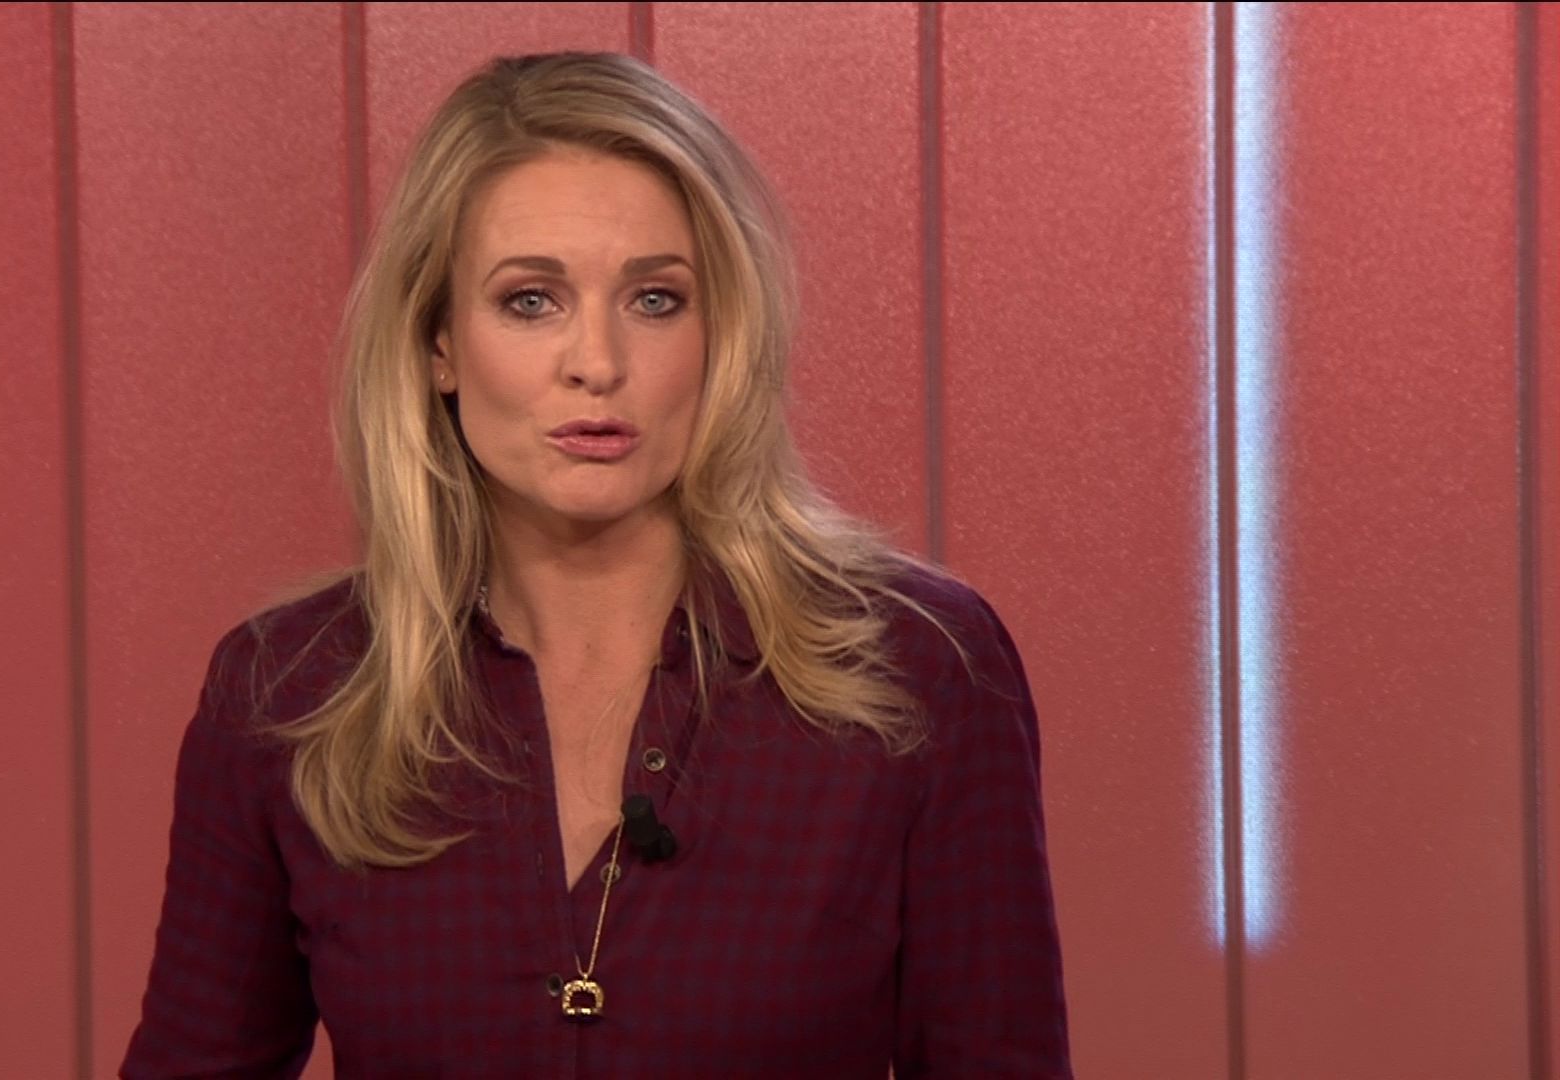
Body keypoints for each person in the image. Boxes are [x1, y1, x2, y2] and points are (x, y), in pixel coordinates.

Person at [121, 51, 1070, 1078]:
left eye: (655, 300)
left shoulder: (919, 666)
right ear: (439, 342)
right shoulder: (289, 692)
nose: (598, 364)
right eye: (531, 301)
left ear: (723, 334)